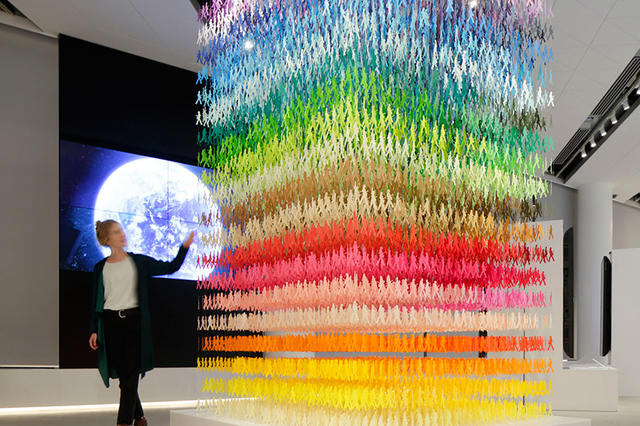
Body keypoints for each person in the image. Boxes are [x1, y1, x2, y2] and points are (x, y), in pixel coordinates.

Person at [89, 220, 194, 426]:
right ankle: (139, 418)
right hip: (110, 325)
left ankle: (123, 422)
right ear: (107, 239)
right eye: (116, 232)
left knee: (131, 374)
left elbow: (171, 266)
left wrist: (184, 247)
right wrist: (94, 329)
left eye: (121, 230)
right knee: (125, 377)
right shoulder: (100, 268)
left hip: (134, 324)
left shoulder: (139, 262)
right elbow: (96, 301)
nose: (122, 234)